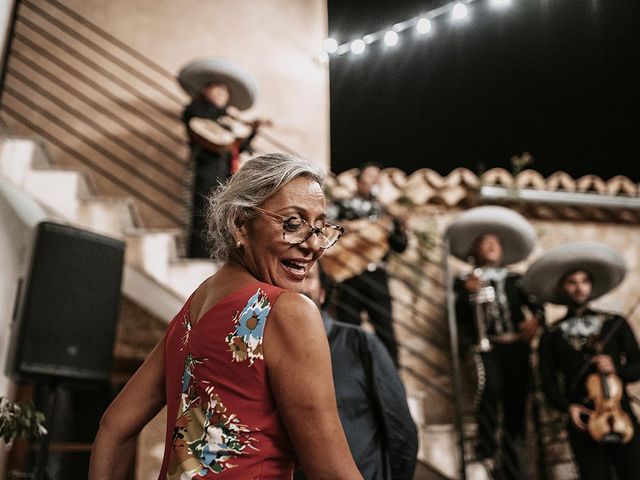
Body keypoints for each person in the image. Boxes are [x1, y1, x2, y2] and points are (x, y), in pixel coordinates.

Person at [89, 153, 362, 479]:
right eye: (292, 224)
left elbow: (114, 426)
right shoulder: (286, 311)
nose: (313, 245)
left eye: (320, 228)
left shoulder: (194, 308)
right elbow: (333, 473)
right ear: (239, 224)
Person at [526, 241, 640, 480]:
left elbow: (637, 365)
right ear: (562, 288)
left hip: (621, 414)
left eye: (584, 281)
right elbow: (546, 380)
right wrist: (568, 407)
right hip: (583, 418)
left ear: (591, 286)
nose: (579, 288)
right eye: (572, 282)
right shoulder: (552, 334)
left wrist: (616, 369)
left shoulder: (614, 322)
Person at [295, 263, 418, 480]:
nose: (298, 285)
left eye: (307, 276)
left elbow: (402, 433)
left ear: (323, 293)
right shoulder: (264, 355)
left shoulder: (362, 345)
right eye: (290, 276)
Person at [447, 206, 543, 479]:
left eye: (495, 242)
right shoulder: (465, 281)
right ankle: (486, 453)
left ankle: (514, 461)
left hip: (516, 347)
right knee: (488, 391)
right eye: (484, 242)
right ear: (474, 250)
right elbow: (456, 316)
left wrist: (536, 321)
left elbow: (537, 307)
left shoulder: (516, 278)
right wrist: (466, 294)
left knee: (517, 399)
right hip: (486, 346)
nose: (491, 246)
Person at [178, 59, 267, 258]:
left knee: (223, 213)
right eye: (216, 90)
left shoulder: (226, 118)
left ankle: (219, 255)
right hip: (205, 168)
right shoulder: (196, 111)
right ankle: (198, 255)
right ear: (205, 91)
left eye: (224, 92)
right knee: (203, 211)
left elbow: (238, 144)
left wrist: (253, 129)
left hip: (225, 172)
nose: (221, 95)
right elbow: (215, 138)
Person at [327, 162, 407, 366]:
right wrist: (352, 229)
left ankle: (391, 376)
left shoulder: (386, 211)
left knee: (385, 329)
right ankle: (349, 375)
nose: (374, 182)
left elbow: (400, 246)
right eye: (370, 177)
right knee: (348, 327)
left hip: (377, 275)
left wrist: (399, 228)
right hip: (348, 274)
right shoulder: (342, 206)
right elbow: (328, 231)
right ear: (359, 181)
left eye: (377, 178)